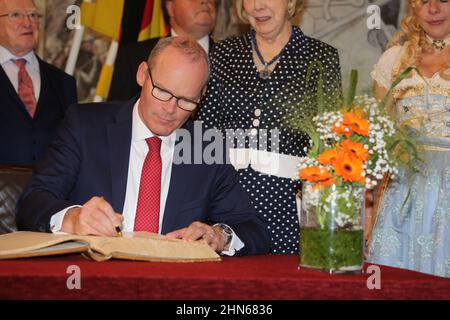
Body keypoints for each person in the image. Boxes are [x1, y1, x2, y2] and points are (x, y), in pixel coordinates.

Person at [16, 37, 270, 256]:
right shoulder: (85, 126)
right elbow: (32, 202)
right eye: (162, 91)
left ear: (201, 96)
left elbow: (253, 228)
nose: (170, 110)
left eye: (186, 101)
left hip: (171, 286)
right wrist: (72, 219)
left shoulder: (204, 147)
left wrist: (218, 235)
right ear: (142, 75)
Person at [197, 0, 342, 254]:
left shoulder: (320, 58)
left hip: (287, 212)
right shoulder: (223, 53)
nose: (257, 6)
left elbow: (330, 148)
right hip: (225, 210)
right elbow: (204, 136)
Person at [368, 0, 449, 278]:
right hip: (401, 195)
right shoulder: (393, 60)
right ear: (413, 8)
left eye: (444, 0)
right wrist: (368, 214)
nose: (434, 9)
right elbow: (378, 142)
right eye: (424, 1)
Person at [0, 0, 77, 166]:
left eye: (33, 15)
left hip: (50, 190)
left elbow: (72, 147)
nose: (27, 23)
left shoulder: (64, 83)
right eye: (15, 15)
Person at [108, 0, 217, 101]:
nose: (205, 1)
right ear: (170, 6)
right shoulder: (133, 56)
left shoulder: (231, 58)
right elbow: (118, 113)